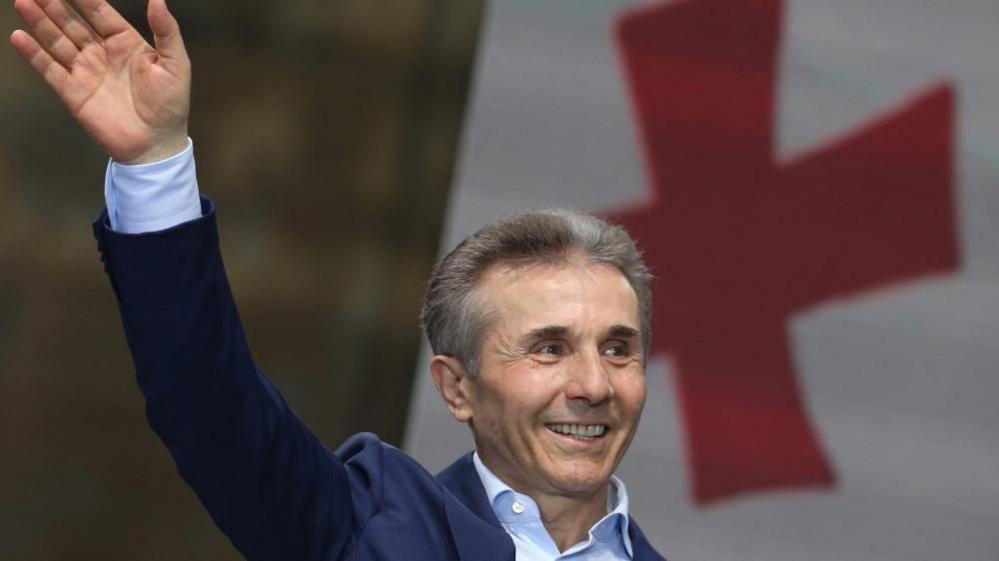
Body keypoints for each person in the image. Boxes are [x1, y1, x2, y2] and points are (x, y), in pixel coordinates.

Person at [10, 1, 667, 559]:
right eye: (548, 347)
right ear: (456, 386)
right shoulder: (370, 523)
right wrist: (154, 164)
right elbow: (206, 398)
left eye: (617, 347)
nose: (593, 385)